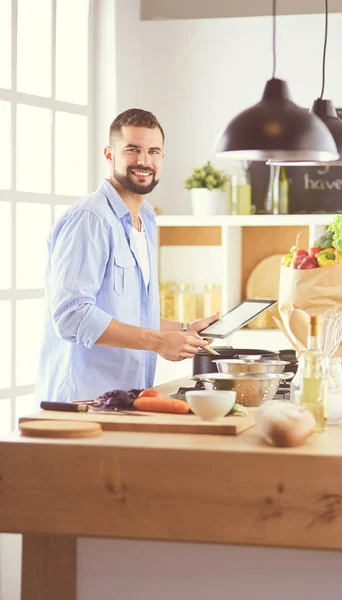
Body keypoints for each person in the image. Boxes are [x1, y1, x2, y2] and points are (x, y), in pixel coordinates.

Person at [36, 108, 218, 403]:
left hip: (122, 400)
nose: (144, 161)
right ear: (110, 154)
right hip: (80, 404)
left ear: (162, 158)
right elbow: (71, 316)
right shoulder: (90, 219)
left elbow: (130, 313)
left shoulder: (145, 218)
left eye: (153, 151)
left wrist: (183, 329)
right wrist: (159, 342)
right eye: (132, 150)